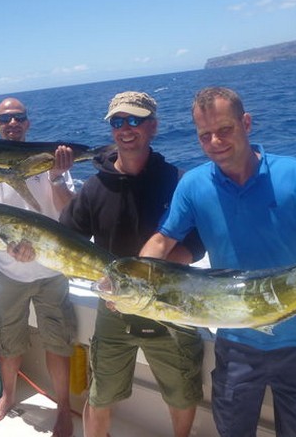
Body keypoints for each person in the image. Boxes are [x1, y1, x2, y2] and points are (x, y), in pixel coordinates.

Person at [140, 87, 296, 437]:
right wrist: (134, 280)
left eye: (225, 130)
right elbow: (162, 241)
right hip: (237, 345)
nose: (215, 142)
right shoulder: (193, 185)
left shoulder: (295, 174)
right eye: (205, 135)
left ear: (246, 123)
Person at [59, 91, 205, 437]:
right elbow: (67, 239)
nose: (126, 128)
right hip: (114, 308)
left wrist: (159, 272)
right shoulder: (94, 188)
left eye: (135, 120)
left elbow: (199, 240)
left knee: (182, 395)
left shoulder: (179, 181)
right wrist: (29, 249)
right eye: (118, 122)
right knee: (100, 394)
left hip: (171, 303)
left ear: (152, 126)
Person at [0, 97, 77, 437]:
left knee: (58, 343)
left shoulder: (48, 161)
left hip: (51, 270)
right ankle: (7, 397)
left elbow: (72, 214)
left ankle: (64, 408)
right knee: (9, 342)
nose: (12, 123)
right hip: (8, 273)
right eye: (5, 119)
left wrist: (56, 177)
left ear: (27, 124)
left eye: (18, 118)